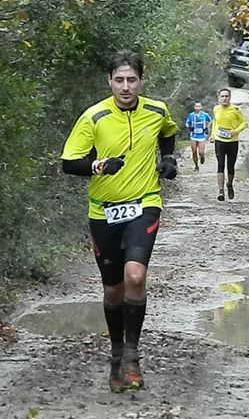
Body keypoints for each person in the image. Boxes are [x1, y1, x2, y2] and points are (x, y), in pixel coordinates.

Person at [60, 49, 178, 393]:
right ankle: (115, 354)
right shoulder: (94, 117)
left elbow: (168, 132)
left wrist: (168, 159)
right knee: (113, 291)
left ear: (141, 81)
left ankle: (132, 355)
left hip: (144, 204)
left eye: (132, 80)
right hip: (104, 210)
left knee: (135, 275)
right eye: (119, 80)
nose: (126, 87)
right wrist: (98, 165)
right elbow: (69, 163)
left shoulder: (156, 110)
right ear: (109, 82)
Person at [211, 88, 248, 201]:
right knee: (220, 164)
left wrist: (235, 131)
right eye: (222, 96)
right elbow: (215, 122)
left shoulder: (236, 109)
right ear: (219, 98)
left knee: (230, 167)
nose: (224, 98)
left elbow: (244, 123)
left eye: (226, 96)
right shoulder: (216, 109)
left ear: (230, 98)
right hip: (219, 140)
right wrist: (213, 134)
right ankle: (221, 191)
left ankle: (230, 184)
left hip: (232, 141)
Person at [184, 101, 212, 171]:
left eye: (199, 106)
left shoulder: (205, 115)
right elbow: (187, 122)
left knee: (201, 152)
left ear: (201, 107)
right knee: (194, 152)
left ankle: (202, 157)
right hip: (193, 135)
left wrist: (207, 127)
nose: (197, 108)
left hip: (202, 135)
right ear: (194, 107)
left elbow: (211, 121)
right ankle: (196, 166)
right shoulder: (191, 115)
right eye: (196, 106)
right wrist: (188, 126)